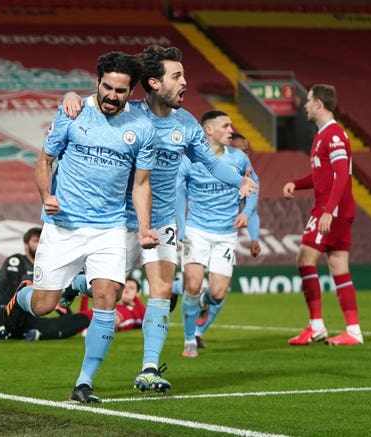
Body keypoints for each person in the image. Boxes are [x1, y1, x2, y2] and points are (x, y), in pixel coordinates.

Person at [61, 45, 258, 393]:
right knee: (108, 290)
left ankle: (149, 369)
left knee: (163, 290)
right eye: (177, 76)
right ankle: (76, 285)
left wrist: (238, 179)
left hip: (164, 220)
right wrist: (71, 96)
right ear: (153, 82)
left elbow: (210, 163)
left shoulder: (187, 124)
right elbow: (93, 108)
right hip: (121, 221)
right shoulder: (129, 114)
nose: (185, 82)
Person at [3, 51, 158, 403]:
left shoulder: (142, 128)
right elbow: (44, 160)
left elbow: (141, 184)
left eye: (120, 90)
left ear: (130, 91)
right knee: (43, 306)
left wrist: (145, 227)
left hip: (110, 228)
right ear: (97, 82)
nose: (112, 95)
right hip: (64, 227)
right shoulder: (72, 111)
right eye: (107, 87)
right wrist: (46, 195)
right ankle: (22, 295)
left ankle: (83, 382)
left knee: (108, 296)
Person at [283, 84, 363, 347]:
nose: (304, 105)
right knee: (338, 266)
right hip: (335, 208)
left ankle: (316, 326)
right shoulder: (323, 135)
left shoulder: (334, 135)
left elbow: (342, 175)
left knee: (305, 259)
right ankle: (353, 330)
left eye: (308, 101)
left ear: (318, 103)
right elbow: (323, 175)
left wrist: (328, 212)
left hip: (332, 209)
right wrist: (297, 182)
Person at [175, 110, 259, 356]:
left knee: (217, 293)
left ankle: (202, 303)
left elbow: (254, 185)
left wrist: (247, 211)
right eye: (225, 126)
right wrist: (181, 224)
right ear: (208, 130)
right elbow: (179, 193)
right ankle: (190, 340)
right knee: (192, 285)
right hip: (197, 230)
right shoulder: (189, 160)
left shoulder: (240, 158)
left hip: (226, 234)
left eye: (231, 125)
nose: (231, 130)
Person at [0, 227, 89, 343]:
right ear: (26, 245)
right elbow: (8, 294)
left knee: (81, 319)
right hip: (12, 313)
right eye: (36, 241)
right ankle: (4, 328)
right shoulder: (16, 261)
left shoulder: (50, 265)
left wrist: (64, 312)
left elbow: (58, 295)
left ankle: (30, 334)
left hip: (37, 314)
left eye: (42, 241)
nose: (40, 244)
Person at [77, 276, 146, 331]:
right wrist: (84, 297)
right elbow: (83, 313)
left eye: (131, 288)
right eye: (125, 287)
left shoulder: (138, 310)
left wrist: (135, 299)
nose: (127, 290)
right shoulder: (115, 305)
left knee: (110, 317)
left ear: (137, 293)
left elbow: (147, 321)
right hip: (87, 317)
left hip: (101, 321)